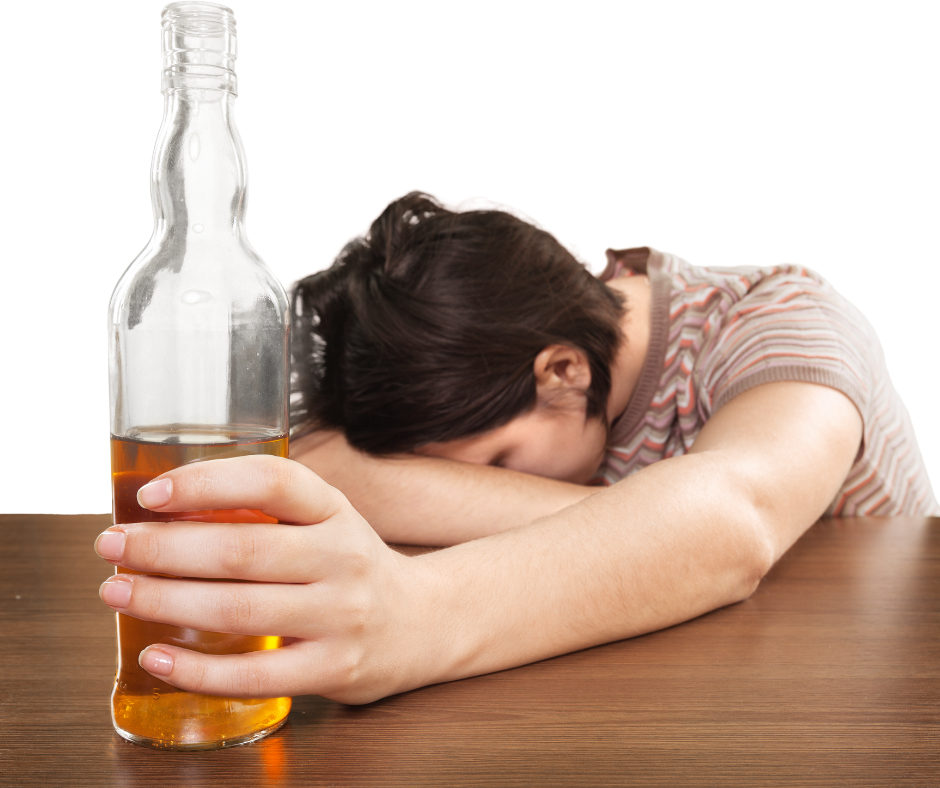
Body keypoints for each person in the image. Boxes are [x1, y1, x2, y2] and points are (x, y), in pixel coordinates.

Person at [94, 192, 938, 705]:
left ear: (563, 370)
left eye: (495, 464)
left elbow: (738, 519)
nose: (468, 494)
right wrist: (659, 541)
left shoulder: (784, 324)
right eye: (448, 478)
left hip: (849, 702)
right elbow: (322, 464)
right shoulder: (478, 346)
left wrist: (416, 615)